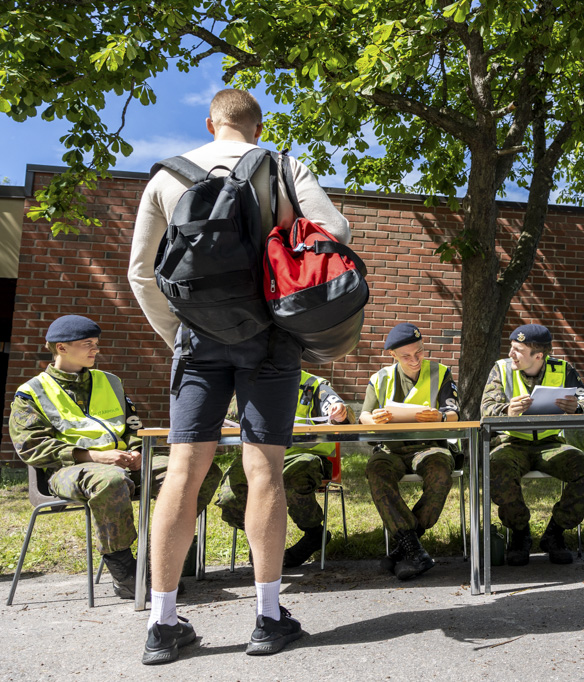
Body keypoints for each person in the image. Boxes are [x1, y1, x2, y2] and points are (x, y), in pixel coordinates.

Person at [128, 88, 350, 664]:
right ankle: (268, 618)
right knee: (263, 470)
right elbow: (335, 231)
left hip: (198, 341)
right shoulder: (280, 165)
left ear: (210, 123)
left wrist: (178, 335)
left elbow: (140, 274)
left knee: (182, 472)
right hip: (271, 337)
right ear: (257, 127)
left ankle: (162, 624)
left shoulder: (164, 177)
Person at [8, 315, 223, 600]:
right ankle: (124, 571)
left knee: (200, 469)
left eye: (96, 344)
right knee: (111, 480)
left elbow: (133, 427)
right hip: (67, 470)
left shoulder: (110, 381)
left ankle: (160, 555)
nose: (95, 350)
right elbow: (31, 448)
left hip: (122, 463)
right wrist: (95, 456)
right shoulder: (31, 393)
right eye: (88, 344)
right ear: (61, 348)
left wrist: (136, 451)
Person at [480, 323, 584, 566]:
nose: (511, 354)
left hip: (551, 443)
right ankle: (520, 533)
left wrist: (575, 408)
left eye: (518, 350)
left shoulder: (564, 369)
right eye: (511, 348)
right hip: (511, 443)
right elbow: (486, 409)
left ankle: (555, 533)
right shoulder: (501, 369)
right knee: (496, 468)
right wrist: (507, 410)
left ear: (539, 356)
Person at [216, 371, 356, 568]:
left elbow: (341, 413)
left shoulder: (312, 384)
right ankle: (260, 541)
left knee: (294, 477)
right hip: (260, 455)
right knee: (231, 492)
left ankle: (314, 533)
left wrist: (340, 413)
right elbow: (229, 416)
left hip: (303, 455)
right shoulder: (251, 381)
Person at [359, 323, 460, 581]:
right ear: (392, 355)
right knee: (376, 470)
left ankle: (405, 547)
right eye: (407, 356)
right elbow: (364, 417)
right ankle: (413, 548)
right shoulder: (380, 378)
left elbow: (454, 414)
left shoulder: (441, 372)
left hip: (430, 446)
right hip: (391, 448)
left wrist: (440, 418)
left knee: (440, 472)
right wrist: (375, 421)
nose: (415, 360)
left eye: (420, 352)